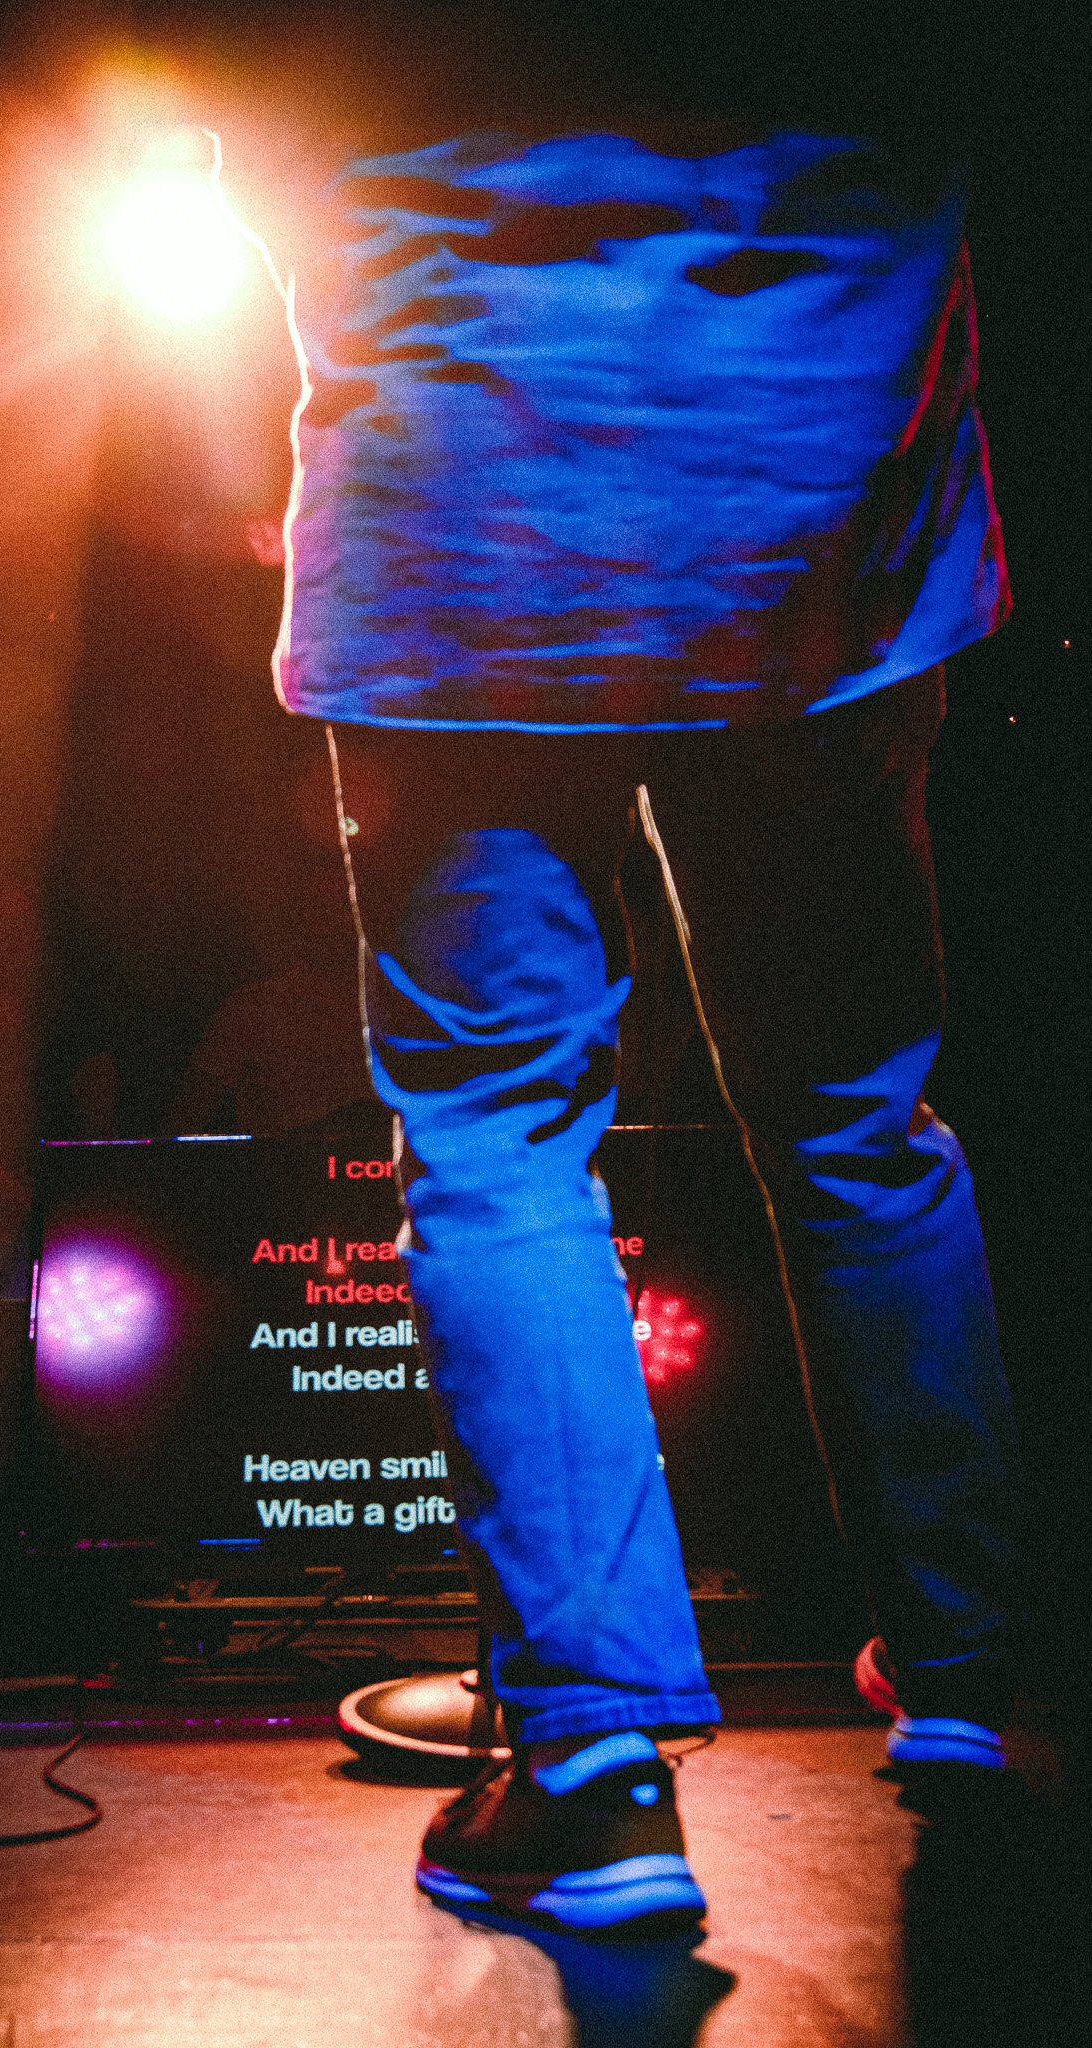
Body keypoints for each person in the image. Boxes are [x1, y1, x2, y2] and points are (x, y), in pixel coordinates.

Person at [246, 0, 1021, 1933]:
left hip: (467, 513)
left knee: (503, 1146)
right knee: (857, 1119)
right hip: (821, 511)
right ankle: (971, 1682)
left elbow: (228, 103)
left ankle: (588, 1775)